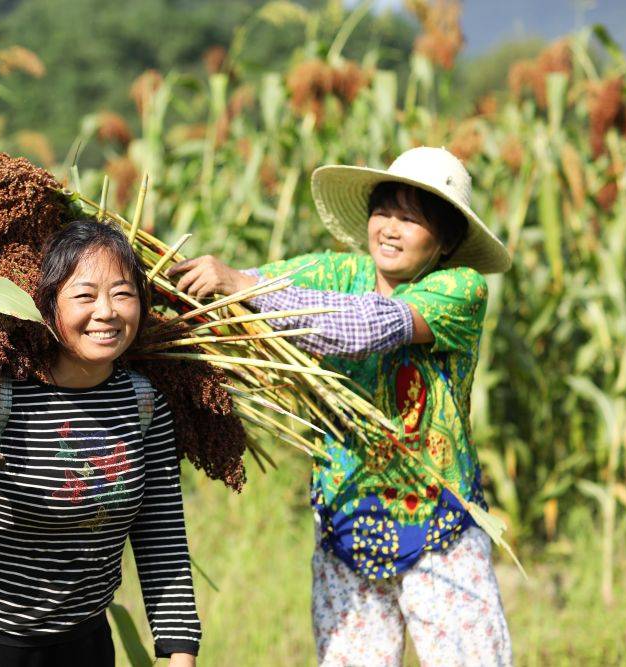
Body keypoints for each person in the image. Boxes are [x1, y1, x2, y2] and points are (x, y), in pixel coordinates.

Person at [168, 147, 512, 666]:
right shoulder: (334, 271)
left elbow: (367, 326)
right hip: (347, 522)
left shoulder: (459, 289)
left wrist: (243, 287)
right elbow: (242, 289)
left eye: (412, 219)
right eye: (385, 212)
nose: (391, 229)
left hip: (440, 528)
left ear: (444, 241)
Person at [0, 219, 200, 667]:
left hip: (81, 644)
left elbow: (162, 540)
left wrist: (180, 654)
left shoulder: (143, 403)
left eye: (122, 293)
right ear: (47, 306)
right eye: (84, 295)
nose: (107, 312)